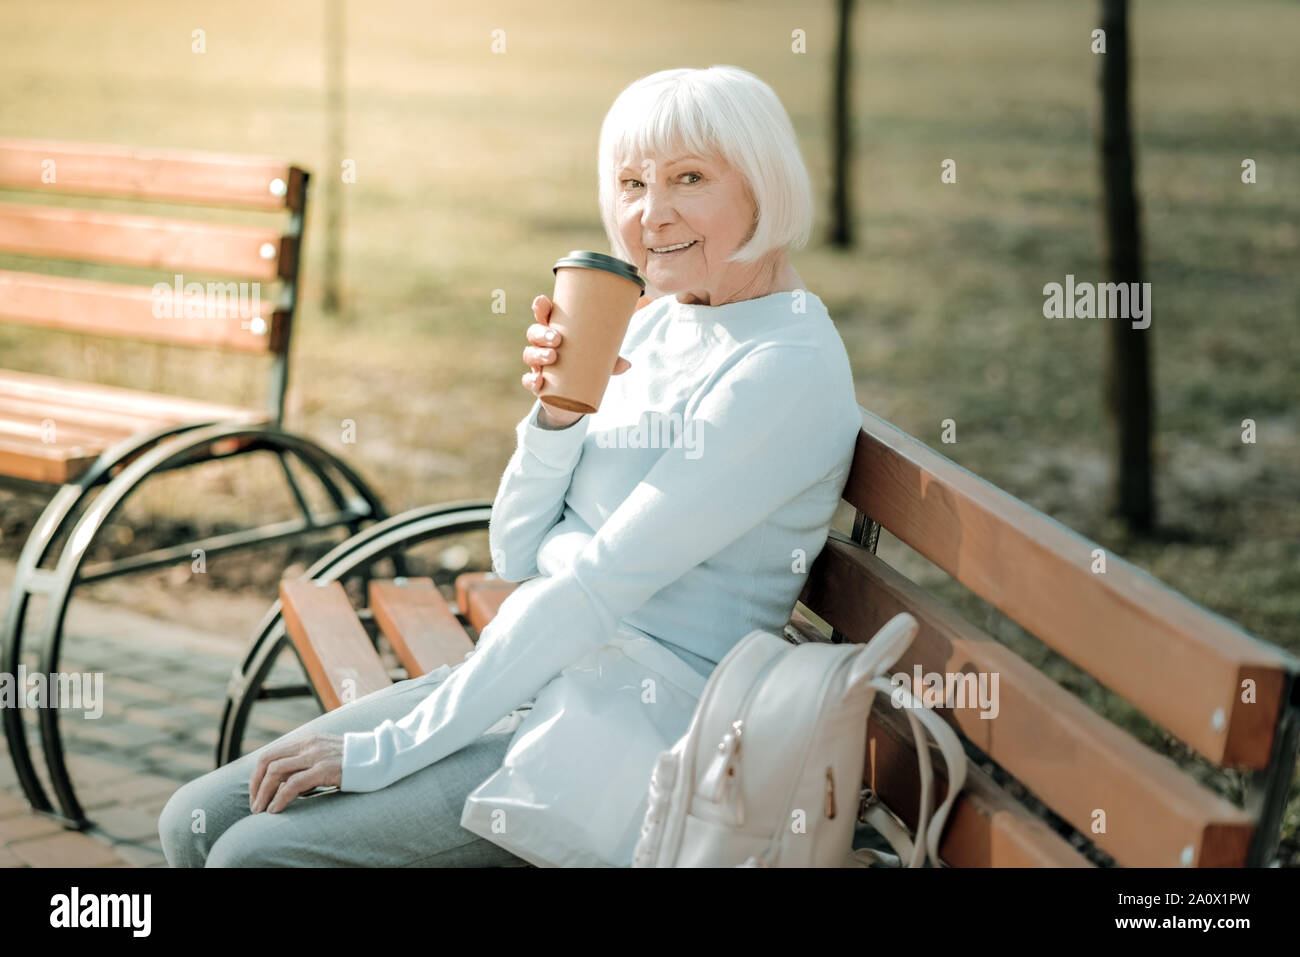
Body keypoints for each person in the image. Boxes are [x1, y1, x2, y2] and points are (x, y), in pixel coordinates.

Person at [158, 64, 863, 867]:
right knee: (195, 822)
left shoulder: (784, 368)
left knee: (251, 856)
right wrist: (557, 414)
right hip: (532, 668)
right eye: (631, 182)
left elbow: (596, 587)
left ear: (764, 184)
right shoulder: (658, 320)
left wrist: (385, 749)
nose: (651, 212)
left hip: (620, 738)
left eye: (689, 178)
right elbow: (518, 552)